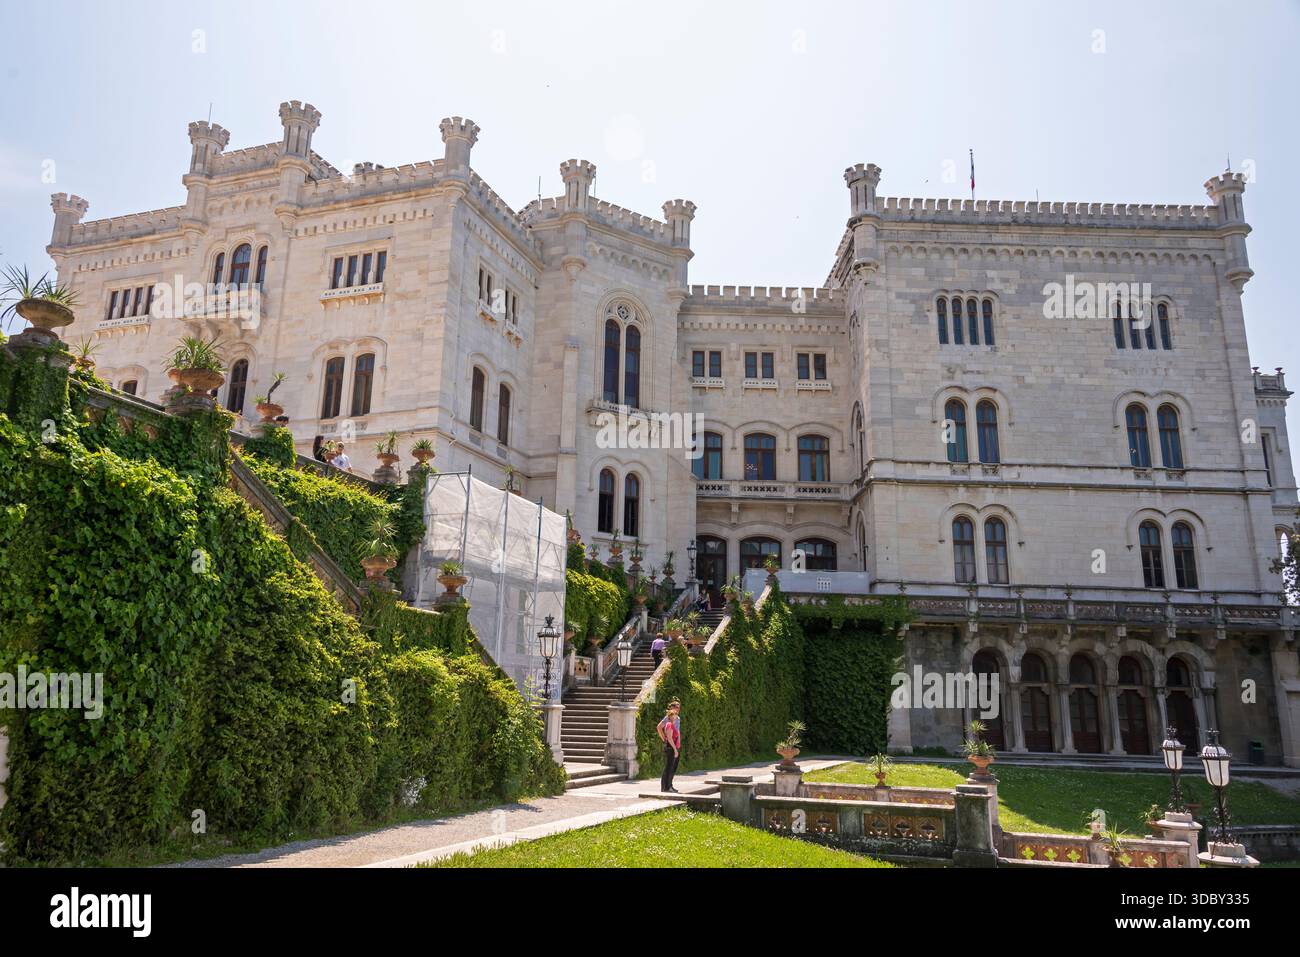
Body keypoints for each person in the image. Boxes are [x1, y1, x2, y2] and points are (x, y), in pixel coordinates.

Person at [656, 700, 682, 793]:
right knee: (669, 766)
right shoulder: (668, 718)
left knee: (673, 767)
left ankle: (670, 785)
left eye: (678, 708)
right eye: (676, 708)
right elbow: (659, 727)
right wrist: (664, 738)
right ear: (672, 708)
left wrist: (678, 744)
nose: (677, 710)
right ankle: (665, 787)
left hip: (676, 744)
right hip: (671, 745)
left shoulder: (678, 718)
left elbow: (678, 732)